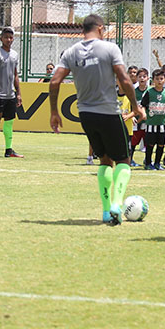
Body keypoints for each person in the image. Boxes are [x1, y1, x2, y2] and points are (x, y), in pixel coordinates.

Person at [49, 15, 144, 225]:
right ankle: (117, 204)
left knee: (104, 160)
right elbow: (124, 78)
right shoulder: (110, 48)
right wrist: (135, 106)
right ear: (100, 28)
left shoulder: (71, 51)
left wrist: (54, 112)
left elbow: (55, 81)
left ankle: (104, 211)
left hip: (86, 114)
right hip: (109, 112)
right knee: (123, 161)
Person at [0, 27, 23, 159]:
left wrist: (18, 93)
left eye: (11, 37)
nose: (9, 39)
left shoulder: (14, 54)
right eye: (6, 37)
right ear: (1, 38)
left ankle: (9, 150)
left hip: (10, 95)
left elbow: (15, 75)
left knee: (9, 122)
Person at [140, 69, 165, 170]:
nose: (159, 81)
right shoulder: (149, 92)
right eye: (157, 79)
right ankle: (148, 163)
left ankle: (158, 162)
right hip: (151, 124)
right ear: (153, 80)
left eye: (161, 79)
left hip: (161, 124)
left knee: (161, 144)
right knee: (150, 144)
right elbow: (143, 105)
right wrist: (144, 113)